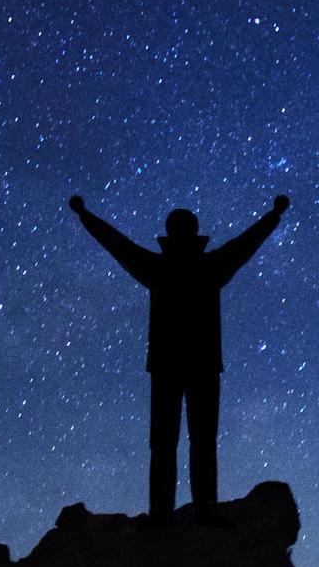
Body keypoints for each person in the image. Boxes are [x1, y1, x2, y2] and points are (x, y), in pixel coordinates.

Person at [69, 191, 288, 517]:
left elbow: (117, 244)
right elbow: (246, 243)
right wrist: (273, 216)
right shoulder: (210, 266)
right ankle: (201, 507)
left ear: (169, 234)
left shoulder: (161, 268)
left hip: (170, 364)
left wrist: (85, 216)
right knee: (196, 442)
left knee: (167, 442)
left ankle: (164, 510)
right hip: (198, 363)